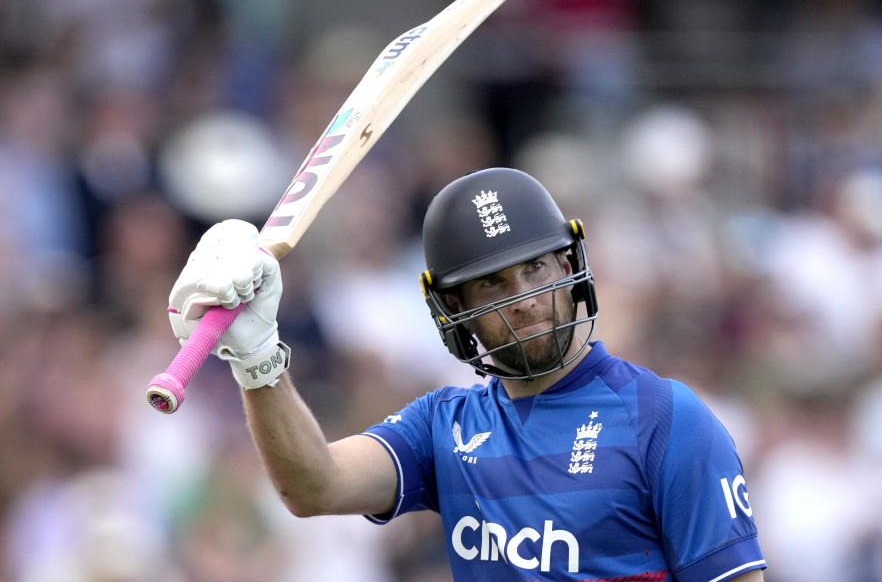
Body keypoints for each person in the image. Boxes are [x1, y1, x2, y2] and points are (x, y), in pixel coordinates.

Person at [168, 167, 767, 581]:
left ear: (570, 264)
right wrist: (257, 362)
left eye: (535, 268)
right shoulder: (444, 427)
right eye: (494, 284)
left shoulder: (666, 420)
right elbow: (313, 486)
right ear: (453, 309)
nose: (525, 298)